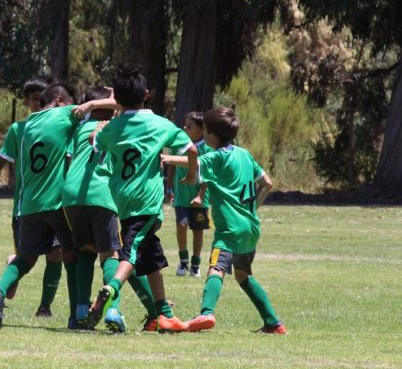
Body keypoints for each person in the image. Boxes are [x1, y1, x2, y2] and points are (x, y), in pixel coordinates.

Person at [0, 83, 115, 329]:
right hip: (57, 201)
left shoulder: (28, 125)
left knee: (27, 257)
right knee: (73, 255)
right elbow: (113, 106)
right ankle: (77, 315)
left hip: (30, 203)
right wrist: (96, 102)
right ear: (59, 100)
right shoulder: (64, 114)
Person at [85, 63, 198, 333]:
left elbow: (94, 142)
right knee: (133, 252)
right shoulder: (160, 124)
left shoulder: (112, 128)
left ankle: (164, 315)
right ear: (146, 94)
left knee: (151, 257)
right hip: (145, 202)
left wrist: (102, 127)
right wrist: (191, 175)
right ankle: (111, 288)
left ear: (117, 100)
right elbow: (191, 149)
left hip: (121, 201)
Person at [161, 106, 286, 334]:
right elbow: (267, 183)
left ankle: (206, 312)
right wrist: (253, 209)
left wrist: (165, 157)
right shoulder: (245, 155)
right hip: (251, 227)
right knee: (243, 275)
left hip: (230, 230)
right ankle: (274, 323)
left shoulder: (216, 157)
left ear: (211, 135)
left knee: (216, 268)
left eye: (206, 130)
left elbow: (194, 163)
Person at [62, 86, 158, 332]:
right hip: (102, 194)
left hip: (72, 195)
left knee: (85, 250)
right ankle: (112, 310)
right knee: (111, 255)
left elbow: (72, 160)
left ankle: (82, 311)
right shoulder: (119, 129)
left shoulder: (80, 128)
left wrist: (93, 105)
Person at [0, 76, 63, 316]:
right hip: (26, 207)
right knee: (28, 259)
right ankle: (1, 288)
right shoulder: (19, 130)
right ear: (26, 102)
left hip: (56, 203)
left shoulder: (62, 126)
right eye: (35, 99)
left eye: (44, 99)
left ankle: (45, 308)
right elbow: (1, 158)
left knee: (56, 254)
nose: (40, 104)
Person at [165, 111, 213, 278]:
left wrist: (200, 195)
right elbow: (171, 164)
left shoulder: (206, 149)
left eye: (189, 126)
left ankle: (195, 264)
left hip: (200, 200)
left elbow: (207, 175)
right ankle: (183, 260)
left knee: (198, 231)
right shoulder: (179, 144)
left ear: (200, 132)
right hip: (181, 198)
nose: (184, 128)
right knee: (182, 226)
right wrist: (169, 188)